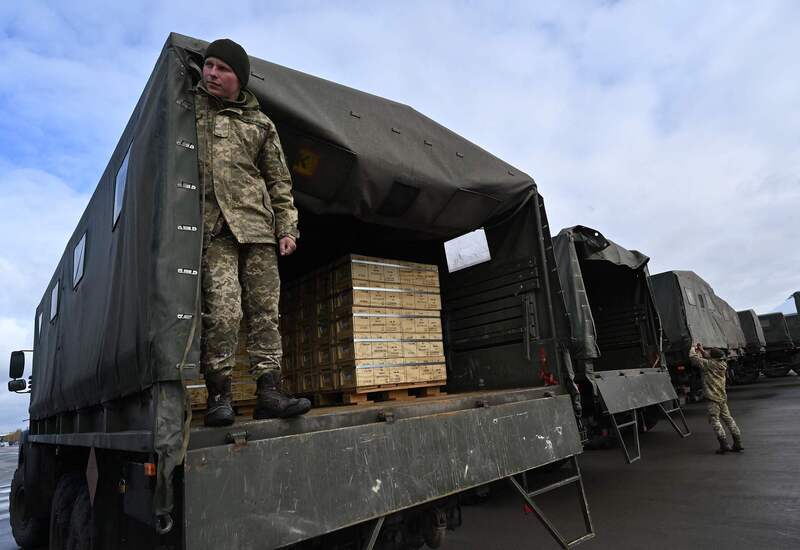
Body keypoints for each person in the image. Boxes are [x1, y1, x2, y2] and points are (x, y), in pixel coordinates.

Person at [196, 38, 310, 426]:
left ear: (239, 79)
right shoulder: (191, 111)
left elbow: (279, 180)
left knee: (264, 313)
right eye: (209, 65)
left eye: (222, 68)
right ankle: (219, 397)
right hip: (215, 230)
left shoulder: (260, 123)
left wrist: (287, 228)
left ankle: (270, 393)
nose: (212, 73)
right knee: (223, 313)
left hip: (258, 229)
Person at [689, 343, 743, 454]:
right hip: (722, 397)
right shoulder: (722, 363)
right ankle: (738, 443)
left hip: (712, 398)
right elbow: (710, 358)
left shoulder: (709, 364)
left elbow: (693, 358)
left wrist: (693, 348)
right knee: (728, 419)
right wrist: (702, 350)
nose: (708, 354)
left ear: (713, 357)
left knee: (715, 420)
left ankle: (724, 444)